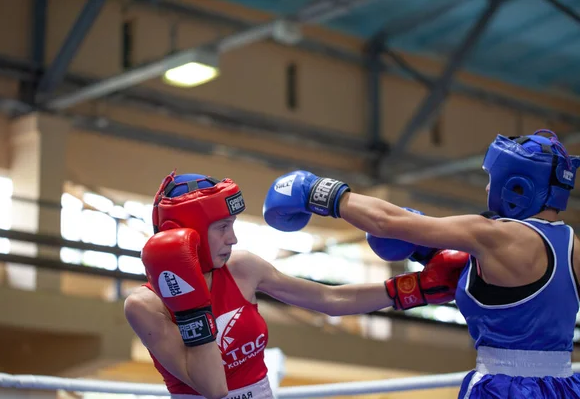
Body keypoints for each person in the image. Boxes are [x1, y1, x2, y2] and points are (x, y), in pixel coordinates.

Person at [262, 129, 580, 398]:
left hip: (503, 387)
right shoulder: (573, 245)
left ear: (518, 186)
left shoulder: (493, 236)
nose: (487, 188)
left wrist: (316, 191)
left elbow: (386, 221)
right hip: (566, 386)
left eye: (491, 179)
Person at [123, 171, 468, 399]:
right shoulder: (146, 305)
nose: (233, 237)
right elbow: (213, 388)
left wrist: (414, 288)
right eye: (222, 227)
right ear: (189, 232)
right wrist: (190, 301)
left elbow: (329, 298)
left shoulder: (241, 268)